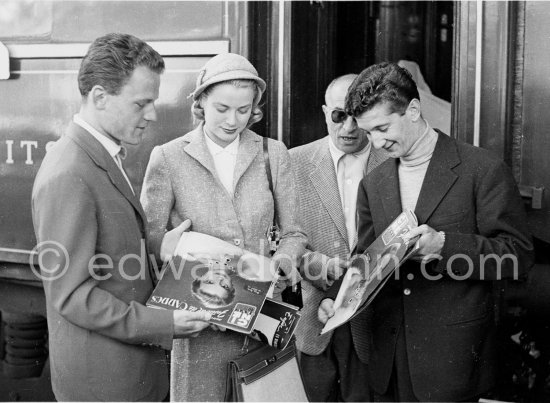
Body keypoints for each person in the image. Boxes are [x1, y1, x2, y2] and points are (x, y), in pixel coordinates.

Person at [319, 62, 535, 402]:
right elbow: (365, 256)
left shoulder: (483, 169)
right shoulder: (373, 183)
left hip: (454, 358)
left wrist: (444, 246)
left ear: (414, 110)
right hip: (387, 358)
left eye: (382, 128)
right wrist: (336, 297)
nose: (375, 142)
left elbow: (516, 255)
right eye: (368, 131)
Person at [31, 33, 212, 402]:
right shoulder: (70, 172)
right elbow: (74, 296)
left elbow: (105, 251)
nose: (153, 115)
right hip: (107, 386)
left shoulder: (99, 153)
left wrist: (159, 246)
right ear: (100, 97)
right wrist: (164, 323)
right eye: (141, 103)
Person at [140, 52, 307, 401]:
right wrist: (165, 246)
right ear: (201, 101)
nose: (233, 120)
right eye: (222, 108)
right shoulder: (169, 158)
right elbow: (147, 239)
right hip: (200, 326)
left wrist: (282, 264)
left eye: (244, 110)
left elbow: (294, 233)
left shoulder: (273, 154)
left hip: (260, 322)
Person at [289, 74, 387, 401]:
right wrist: (318, 266)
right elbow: (277, 237)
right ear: (323, 113)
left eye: (357, 116)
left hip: (373, 323)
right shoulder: (292, 162)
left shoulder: (393, 163)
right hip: (312, 320)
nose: (348, 127)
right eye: (338, 115)